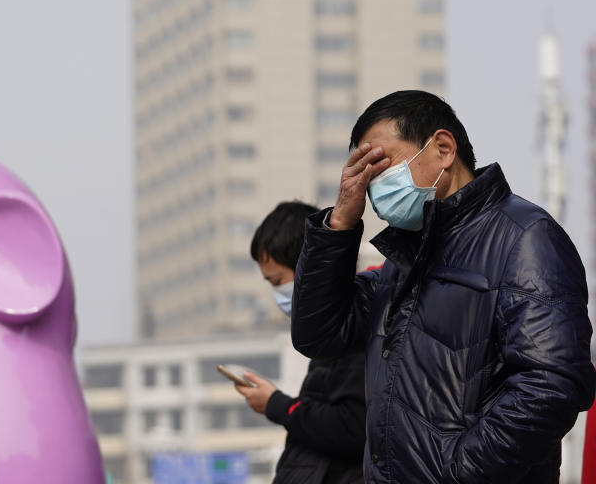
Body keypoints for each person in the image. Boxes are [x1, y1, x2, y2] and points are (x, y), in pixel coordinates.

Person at [291, 90, 596, 483]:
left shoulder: (524, 238)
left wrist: (458, 473)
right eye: (367, 180)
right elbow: (320, 333)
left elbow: (552, 384)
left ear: (443, 148)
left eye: (382, 168)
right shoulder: (404, 262)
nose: (376, 190)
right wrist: (339, 226)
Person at [235, 201, 366, 484]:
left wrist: (277, 405)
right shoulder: (328, 338)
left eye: (277, 281)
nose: (277, 294)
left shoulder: (356, 329)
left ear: (309, 267)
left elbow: (355, 428)